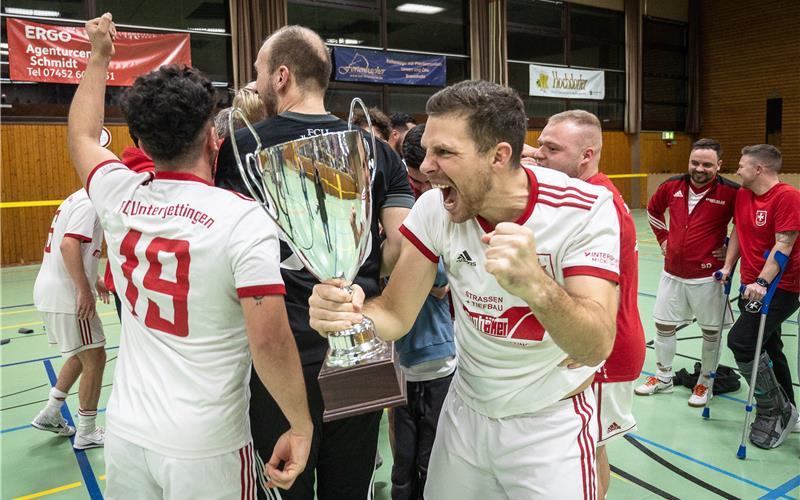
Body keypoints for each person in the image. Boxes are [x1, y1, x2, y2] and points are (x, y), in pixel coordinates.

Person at [308, 80, 620, 498]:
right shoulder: (435, 207)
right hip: (465, 412)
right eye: (428, 150)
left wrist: (537, 286)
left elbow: (596, 345)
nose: (426, 165)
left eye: (444, 152)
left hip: (549, 422)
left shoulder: (583, 209)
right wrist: (348, 314)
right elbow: (396, 313)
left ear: (498, 156)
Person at [67, 14, 312, 497]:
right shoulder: (242, 219)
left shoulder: (117, 193)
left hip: (128, 432)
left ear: (140, 143)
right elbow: (269, 342)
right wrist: (300, 424)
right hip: (208, 445)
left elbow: (81, 135)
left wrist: (99, 56)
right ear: (212, 137)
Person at [214, 25, 414, 500]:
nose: (257, 80)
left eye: (260, 71)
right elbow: (402, 244)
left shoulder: (243, 149)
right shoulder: (376, 150)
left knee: (286, 481)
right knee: (352, 484)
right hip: (359, 342)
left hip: (281, 355)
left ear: (281, 76)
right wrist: (360, 283)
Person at [531, 109, 646, 499]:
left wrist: (586, 346)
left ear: (586, 156)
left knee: (587, 453)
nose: (540, 154)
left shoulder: (599, 205)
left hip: (604, 352)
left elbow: (604, 294)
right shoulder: (587, 193)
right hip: (597, 348)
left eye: (551, 148)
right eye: (539, 145)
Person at [636, 138, 739, 406]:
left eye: (707, 164)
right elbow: (653, 210)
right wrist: (663, 238)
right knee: (663, 325)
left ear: (719, 165)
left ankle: (705, 383)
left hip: (708, 277)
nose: (699, 169)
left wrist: (730, 249)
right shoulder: (672, 186)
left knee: (711, 332)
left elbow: (744, 226)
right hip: (672, 273)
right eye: (695, 162)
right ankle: (663, 377)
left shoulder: (731, 192)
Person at [389, 123, 456, 499]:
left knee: (432, 454)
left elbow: (442, 283)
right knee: (403, 456)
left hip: (437, 356)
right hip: (402, 359)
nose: (426, 185)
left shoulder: (442, 207)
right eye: (417, 179)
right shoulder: (401, 204)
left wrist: (413, 267)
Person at [718, 144, 799, 449]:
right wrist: (729, 266)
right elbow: (738, 231)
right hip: (749, 284)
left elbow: (784, 244)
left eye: (741, 166)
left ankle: (775, 410)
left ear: (759, 169)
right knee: (769, 346)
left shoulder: (787, 197)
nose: (738, 170)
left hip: (780, 287)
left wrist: (763, 282)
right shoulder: (744, 195)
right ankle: (791, 407)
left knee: (741, 341)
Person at [31, 188, 107, 450]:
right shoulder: (90, 203)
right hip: (67, 295)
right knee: (95, 357)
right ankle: (87, 432)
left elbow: (73, 248)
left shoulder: (75, 198)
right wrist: (84, 289)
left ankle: (51, 412)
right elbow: (68, 245)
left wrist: (95, 278)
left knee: (80, 354)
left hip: (51, 290)